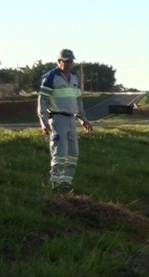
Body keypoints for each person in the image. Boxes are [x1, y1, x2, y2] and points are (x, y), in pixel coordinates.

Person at [37, 49, 93, 190]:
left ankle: (66, 183)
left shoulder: (74, 77)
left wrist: (83, 119)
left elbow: (78, 101)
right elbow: (42, 100)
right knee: (60, 153)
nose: (68, 64)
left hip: (71, 120)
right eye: (65, 61)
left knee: (73, 154)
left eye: (70, 61)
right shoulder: (50, 77)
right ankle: (54, 183)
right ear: (59, 61)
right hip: (58, 119)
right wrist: (43, 122)